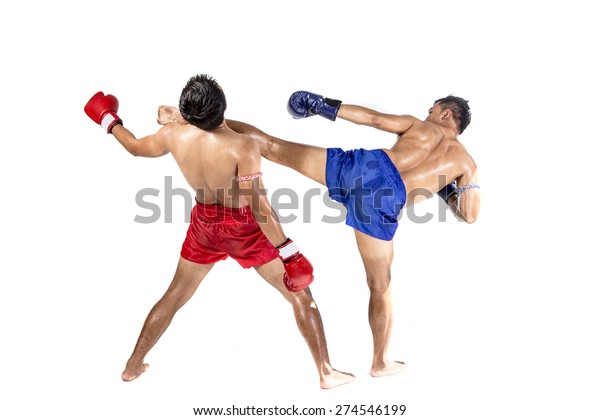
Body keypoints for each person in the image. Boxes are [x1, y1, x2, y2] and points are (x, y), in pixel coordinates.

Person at [83, 76, 355, 389]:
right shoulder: (243, 146)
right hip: (243, 227)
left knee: (174, 296)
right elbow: (259, 207)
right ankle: (325, 371)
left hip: (204, 224)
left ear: (187, 113)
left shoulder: (173, 135)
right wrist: (288, 250)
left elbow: (134, 148)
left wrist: (108, 120)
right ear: (222, 108)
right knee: (299, 294)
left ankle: (132, 366)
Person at [222, 91, 481, 377]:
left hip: (366, 168)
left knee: (271, 146)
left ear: (446, 114)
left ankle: (207, 120)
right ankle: (380, 362)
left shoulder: (419, 127)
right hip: (383, 200)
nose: (427, 114)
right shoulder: (466, 163)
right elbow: (468, 215)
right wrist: (449, 189)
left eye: (432, 110)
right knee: (379, 286)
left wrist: (323, 106)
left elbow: (373, 119)